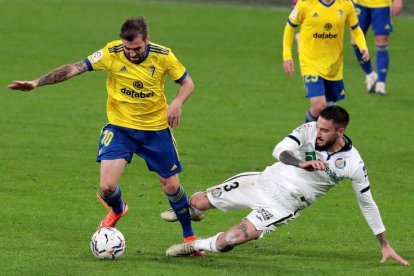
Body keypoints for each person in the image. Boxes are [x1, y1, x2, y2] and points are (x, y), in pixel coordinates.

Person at [8, 17, 203, 252]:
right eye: (128, 48)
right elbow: (75, 68)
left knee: (171, 186)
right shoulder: (112, 51)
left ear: (147, 41)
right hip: (120, 129)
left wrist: (177, 103)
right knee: (107, 188)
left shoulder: (163, 55)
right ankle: (118, 209)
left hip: (155, 130)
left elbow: (187, 83)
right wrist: (36, 82)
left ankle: (190, 238)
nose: (131, 54)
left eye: (137, 48)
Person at [162, 106, 409, 266]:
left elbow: (367, 203)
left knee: (230, 239)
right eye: (318, 126)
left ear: (340, 131)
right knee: (197, 201)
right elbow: (279, 149)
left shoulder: (353, 164)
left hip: (283, 205)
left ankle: (193, 245)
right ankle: (195, 211)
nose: (318, 133)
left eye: (325, 130)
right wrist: (301, 163)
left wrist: (384, 244)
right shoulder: (308, 129)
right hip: (262, 182)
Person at [283, 0, 370, 123]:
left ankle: (320, 140)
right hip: (310, 62)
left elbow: (356, 29)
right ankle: (304, 137)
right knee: (318, 106)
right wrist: (287, 56)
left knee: (329, 112)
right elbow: (289, 28)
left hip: (333, 65)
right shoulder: (305, 4)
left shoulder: (345, 4)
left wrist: (363, 47)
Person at [351, 0, 404, 95]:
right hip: (359, 4)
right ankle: (370, 74)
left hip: (382, 4)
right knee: (356, 41)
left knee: (382, 40)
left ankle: (381, 83)